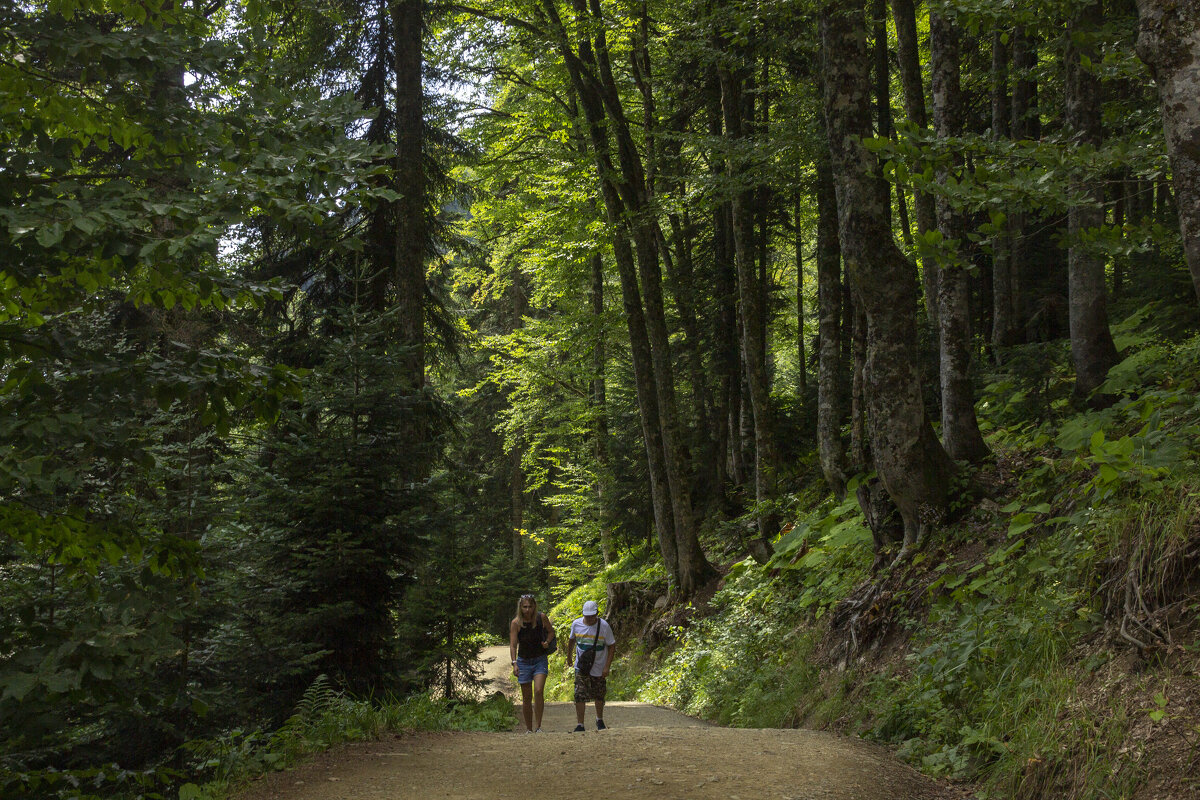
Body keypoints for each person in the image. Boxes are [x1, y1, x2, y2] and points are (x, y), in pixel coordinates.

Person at [566, 599, 616, 732]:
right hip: (581, 666)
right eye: (587, 616)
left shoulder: (604, 626)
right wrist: (569, 657)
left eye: (592, 616)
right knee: (579, 693)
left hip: (599, 666)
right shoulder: (576, 624)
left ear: (596, 614)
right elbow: (571, 640)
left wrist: (607, 666)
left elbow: (611, 646)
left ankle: (599, 719)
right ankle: (580, 724)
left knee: (599, 693)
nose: (589, 618)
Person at [509, 593, 555, 733]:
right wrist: (514, 663)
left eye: (530, 606)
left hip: (540, 659)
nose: (527, 610)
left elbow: (551, 632)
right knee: (527, 697)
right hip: (523, 661)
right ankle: (529, 729)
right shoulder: (516, 623)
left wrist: (547, 642)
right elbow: (513, 645)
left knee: (539, 691)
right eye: (524, 607)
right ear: (520, 607)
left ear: (534, 606)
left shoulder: (541, 618)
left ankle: (539, 726)